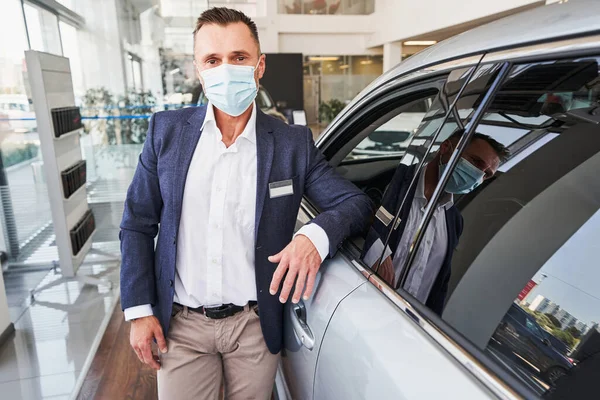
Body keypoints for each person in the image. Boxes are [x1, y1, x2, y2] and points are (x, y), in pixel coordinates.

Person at [119, 7, 372, 400]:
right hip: (181, 325)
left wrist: (314, 236)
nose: (225, 69)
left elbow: (353, 203)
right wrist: (138, 310)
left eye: (238, 57)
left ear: (259, 65)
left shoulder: (292, 144)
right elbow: (137, 223)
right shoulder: (165, 134)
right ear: (198, 71)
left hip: (254, 325)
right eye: (212, 60)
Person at [362, 131, 509, 315]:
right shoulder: (394, 179)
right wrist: (377, 251)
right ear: (446, 148)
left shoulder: (454, 221)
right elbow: (357, 213)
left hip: (407, 326)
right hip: (365, 303)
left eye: (487, 174)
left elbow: (438, 287)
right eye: (476, 162)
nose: (479, 176)